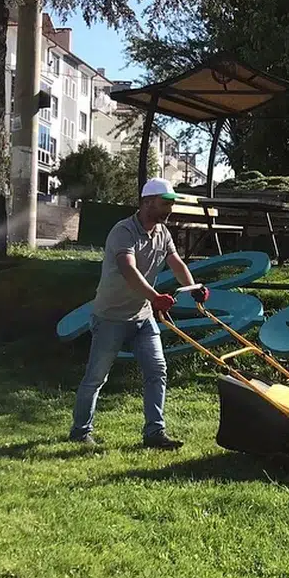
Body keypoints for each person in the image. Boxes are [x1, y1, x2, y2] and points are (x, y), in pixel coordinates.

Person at [69, 177, 210, 449]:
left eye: (172, 202)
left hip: (142, 316)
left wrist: (193, 287)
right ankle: (80, 432)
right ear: (147, 202)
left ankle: (154, 433)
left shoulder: (162, 232)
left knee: (157, 370)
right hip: (111, 316)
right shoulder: (124, 231)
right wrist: (155, 297)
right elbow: (128, 269)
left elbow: (176, 262)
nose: (170, 208)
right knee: (97, 377)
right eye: (165, 202)